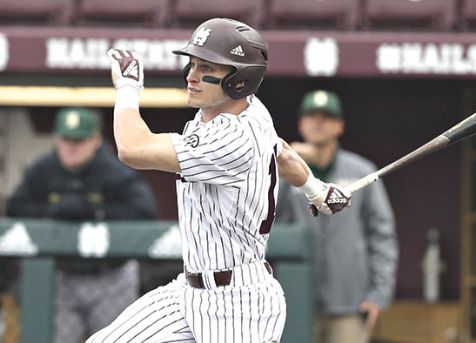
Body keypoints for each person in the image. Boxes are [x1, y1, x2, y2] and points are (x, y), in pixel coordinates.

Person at [88, 18, 351, 343]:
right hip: (189, 291)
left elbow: (133, 149)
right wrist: (317, 190)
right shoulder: (251, 111)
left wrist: (128, 88)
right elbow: (281, 152)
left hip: (238, 304)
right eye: (193, 63)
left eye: (206, 67)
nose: (191, 75)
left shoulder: (233, 137)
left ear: (240, 80)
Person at [6, 107, 158, 343]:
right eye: (66, 139)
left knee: (115, 339)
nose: (71, 147)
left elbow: (145, 211)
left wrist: (94, 211)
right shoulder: (44, 168)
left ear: (96, 139)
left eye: (79, 140)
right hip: (62, 276)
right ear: (57, 139)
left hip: (110, 277)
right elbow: (16, 207)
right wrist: (51, 213)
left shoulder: (112, 170)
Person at [276, 90, 398, 343]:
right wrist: (283, 168)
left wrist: (379, 295)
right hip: (295, 299)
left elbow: (382, 235)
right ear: (301, 123)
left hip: (348, 302)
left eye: (327, 116)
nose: (318, 122)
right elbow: (267, 222)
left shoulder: (361, 170)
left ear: (339, 125)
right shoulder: (285, 173)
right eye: (311, 116)